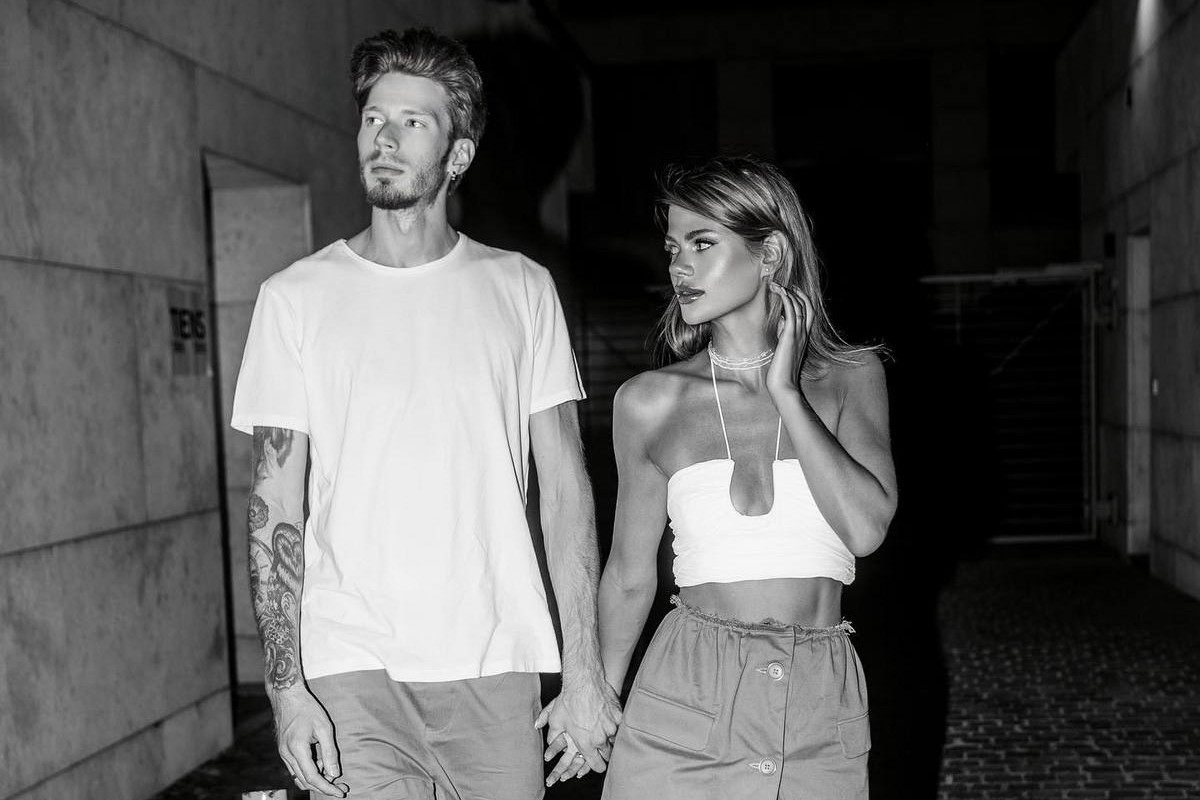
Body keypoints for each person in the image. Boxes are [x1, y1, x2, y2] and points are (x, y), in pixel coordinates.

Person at [231, 28, 619, 800]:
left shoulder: (521, 289)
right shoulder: (294, 299)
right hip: (352, 667)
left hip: (494, 661)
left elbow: (567, 493)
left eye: (413, 122)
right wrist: (286, 690)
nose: (385, 138)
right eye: (374, 118)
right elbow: (275, 505)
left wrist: (585, 672)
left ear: (459, 154)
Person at [597, 156, 897, 799]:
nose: (680, 266)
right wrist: (594, 698)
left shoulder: (851, 377)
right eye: (673, 248)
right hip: (683, 700)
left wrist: (787, 393)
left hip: (817, 709)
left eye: (703, 244)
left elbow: (866, 528)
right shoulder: (649, 402)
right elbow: (628, 575)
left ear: (771, 254)